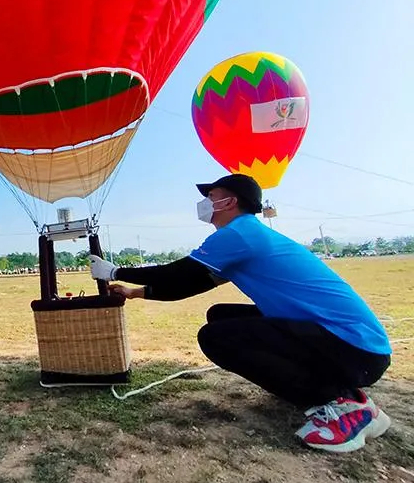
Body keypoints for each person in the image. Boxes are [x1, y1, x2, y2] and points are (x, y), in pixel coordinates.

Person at [89, 173, 392, 453]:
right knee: (220, 316)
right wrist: (135, 291)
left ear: (229, 201)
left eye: (211, 196)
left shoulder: (239, 234)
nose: (205, 203)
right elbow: (188, 284)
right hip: (348, 345)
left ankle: (342, 405)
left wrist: (115, 270)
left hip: (354, 350)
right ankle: (327, 389)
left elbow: (176, 272)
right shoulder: (246, 236)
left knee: (215, 338)